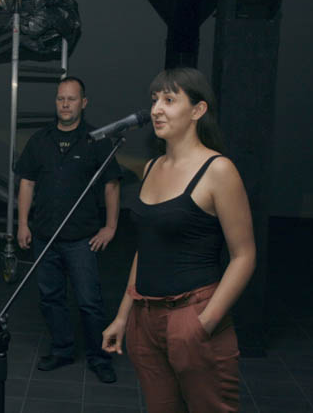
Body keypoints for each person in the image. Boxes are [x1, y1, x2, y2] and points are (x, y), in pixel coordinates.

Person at [102, 67, 256, 412]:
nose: (156, 109)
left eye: (169, 100)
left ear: (198, 110)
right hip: (145, 318)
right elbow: (146, 249)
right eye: (154, 100)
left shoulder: (218, 170)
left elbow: (244, 256)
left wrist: (205, 324)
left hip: (192, 313)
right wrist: (124, 316)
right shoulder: (151, 167)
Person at [15, 76, 122, 384]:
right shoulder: (40, 140)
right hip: (44, 237)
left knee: (89, 302)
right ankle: (62, 350)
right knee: (51, 298)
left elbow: (112, 185)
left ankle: (99, 358)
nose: (65, 104)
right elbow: (27, 182)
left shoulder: (96, 141)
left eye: (71, 99)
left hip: (81, 240)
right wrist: (22, 223)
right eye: (61, 98)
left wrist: (111, 226)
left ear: (83, 103)